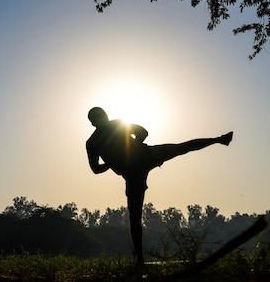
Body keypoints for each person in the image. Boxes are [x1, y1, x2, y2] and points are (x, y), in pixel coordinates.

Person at [85, 107, 233, 264]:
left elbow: (141, 133)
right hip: (137, 166)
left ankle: (219, 139)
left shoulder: (104, 134)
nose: (104, 119)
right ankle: (140, 259)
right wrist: (119, 156)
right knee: (135, 216)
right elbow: (97, 168)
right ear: (94, 122)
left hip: (142, 159)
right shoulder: (97, 140)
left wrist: (122, 153)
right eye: (101, 117)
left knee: (181, 148)